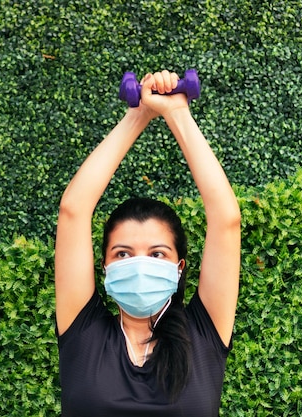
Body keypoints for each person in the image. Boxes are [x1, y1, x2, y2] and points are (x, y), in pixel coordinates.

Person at [54, 70, 241, 416]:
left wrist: (177, 113)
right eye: (123, 253)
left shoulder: (203, 335)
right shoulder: (84, 333)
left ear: (179, 267)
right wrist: (137, 115)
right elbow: (73, 211)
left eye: (157, 253)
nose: (140, 263)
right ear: (105, 267)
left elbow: (226, 221)